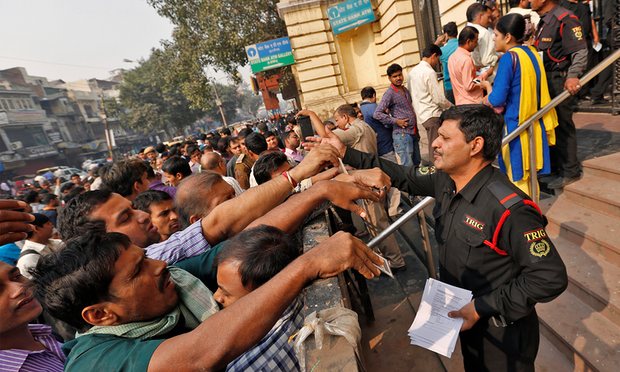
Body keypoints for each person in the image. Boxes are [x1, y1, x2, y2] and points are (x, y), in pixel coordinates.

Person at [309, 104, 568, 371]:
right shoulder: (446, 180)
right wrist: (345, 152)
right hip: (464, 320)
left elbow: (549, 277)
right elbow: (400, 175)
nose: (434, 144)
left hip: (501, 332)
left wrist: (481, 307)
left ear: (475, 145)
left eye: (445, 138)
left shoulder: (508, 209)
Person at [30, 228, 382, 372]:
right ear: (101, 315)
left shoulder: (171, 284)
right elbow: (199, 355)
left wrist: (315, 190)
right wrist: (307, 265)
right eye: (139, 270)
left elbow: (246, 248)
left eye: (147, 257)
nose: (161, 264)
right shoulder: (93, 362)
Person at [59, 145, 384, 263]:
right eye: (126, 216)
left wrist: (320, 184)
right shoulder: (156, 258)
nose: (142, 216)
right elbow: (221, 223)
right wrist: (305, 179)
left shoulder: (158, 250)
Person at [301, 106, 406, 269]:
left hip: (369, 182)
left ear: (345, 117)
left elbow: (326, 136)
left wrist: (312, 114)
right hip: (372, 178)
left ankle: (396, 261)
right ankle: (385, 258)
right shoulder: (365, 126)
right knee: (376, 221)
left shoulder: (355, 130)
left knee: (378, 224)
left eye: (337, 120)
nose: (337, 124)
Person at [480, 13, 558, 197]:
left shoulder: (508, 58)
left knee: (518, 181)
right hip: (534, 126)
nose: (493, 38)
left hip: (515, 128)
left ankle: (526, 222)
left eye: (496, 35)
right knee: (531, 180)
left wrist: (486, 90)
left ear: (507, 37)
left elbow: (497, 99)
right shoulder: (531, 53)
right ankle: (534, 217)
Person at [213, 225, 303, 369]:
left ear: (262, 295)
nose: (216, 296)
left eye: (226, 293)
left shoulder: (246, 366)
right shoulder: (299, 294)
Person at [531, 0, 588, 189]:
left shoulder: (565, 19)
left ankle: (571, 170)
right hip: (545, 81)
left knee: (563, 124)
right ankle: (555, 167)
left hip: (559, 80)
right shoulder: (544, 21)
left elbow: (580, 51)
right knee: (551, 126)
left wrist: (573, 76)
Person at [408, 44, 453, 162]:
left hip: (421, 115)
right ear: (433, 56)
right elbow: (438, 98)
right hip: (432, 114)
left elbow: (410, 94)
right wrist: (452, 107)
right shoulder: (429, 72)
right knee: (436, 147)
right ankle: (436, 173)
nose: (437, 62)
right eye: (438, 59)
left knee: (434, 144)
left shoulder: (412, 72)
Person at [373, 63, 421, 167]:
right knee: (408, 166)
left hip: (412, 133)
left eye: (400, 75)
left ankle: (419, 183)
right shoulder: (389, 93)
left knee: (417, 162)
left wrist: (416, 132)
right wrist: (396, 121)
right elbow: (377, 114)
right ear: (389, 78)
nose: (398, 78)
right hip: (402, 135)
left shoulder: (405, 90)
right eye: (395, 76)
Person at [16, 213, 61, 280]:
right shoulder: (29, 260)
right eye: (48, 223)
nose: (52, 226)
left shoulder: (54, 243)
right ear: (36, 228)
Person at [449, 26, 484, 105]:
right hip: (472, 103)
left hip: (460, 103)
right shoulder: (466, 59)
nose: (477, 44)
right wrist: (484, 75)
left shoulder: (452, 58)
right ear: (468, 41)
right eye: (475, 41)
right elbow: (469, 85)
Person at [360, 86, 395, 162]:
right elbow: (388, 123)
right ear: (373, 95)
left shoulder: (360, 110)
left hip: (372, 145)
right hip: (385, 144)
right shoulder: (375, 107)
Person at [466, 3, 498, 81]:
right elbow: (487, 60)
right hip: (489, 79)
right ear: (480, 16)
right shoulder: (483, 32)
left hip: (473, 77)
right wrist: (500, 56)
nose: (490, 20)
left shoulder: (465, 31)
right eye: (488, 17)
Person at [439, 22, 459, 104]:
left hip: (449, 85)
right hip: (463, 84)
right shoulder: (462, 45)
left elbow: (430, 53)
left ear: (446, 34)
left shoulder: (443, 50)